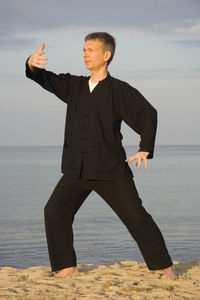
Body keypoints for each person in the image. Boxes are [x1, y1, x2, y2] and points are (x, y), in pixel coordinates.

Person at [25, 32, 178, 280]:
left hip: (110, 170)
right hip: (77, 170)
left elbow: (147, 114)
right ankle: (66, 267)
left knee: (136, 217)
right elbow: (44, 78)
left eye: (91, 50)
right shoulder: (74, 85)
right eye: (84, 50)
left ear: (106, 55)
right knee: (55, 210)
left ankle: (165, 268)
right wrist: (32, 64)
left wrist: (145, 147)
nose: (85, 54)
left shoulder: (119, 90)